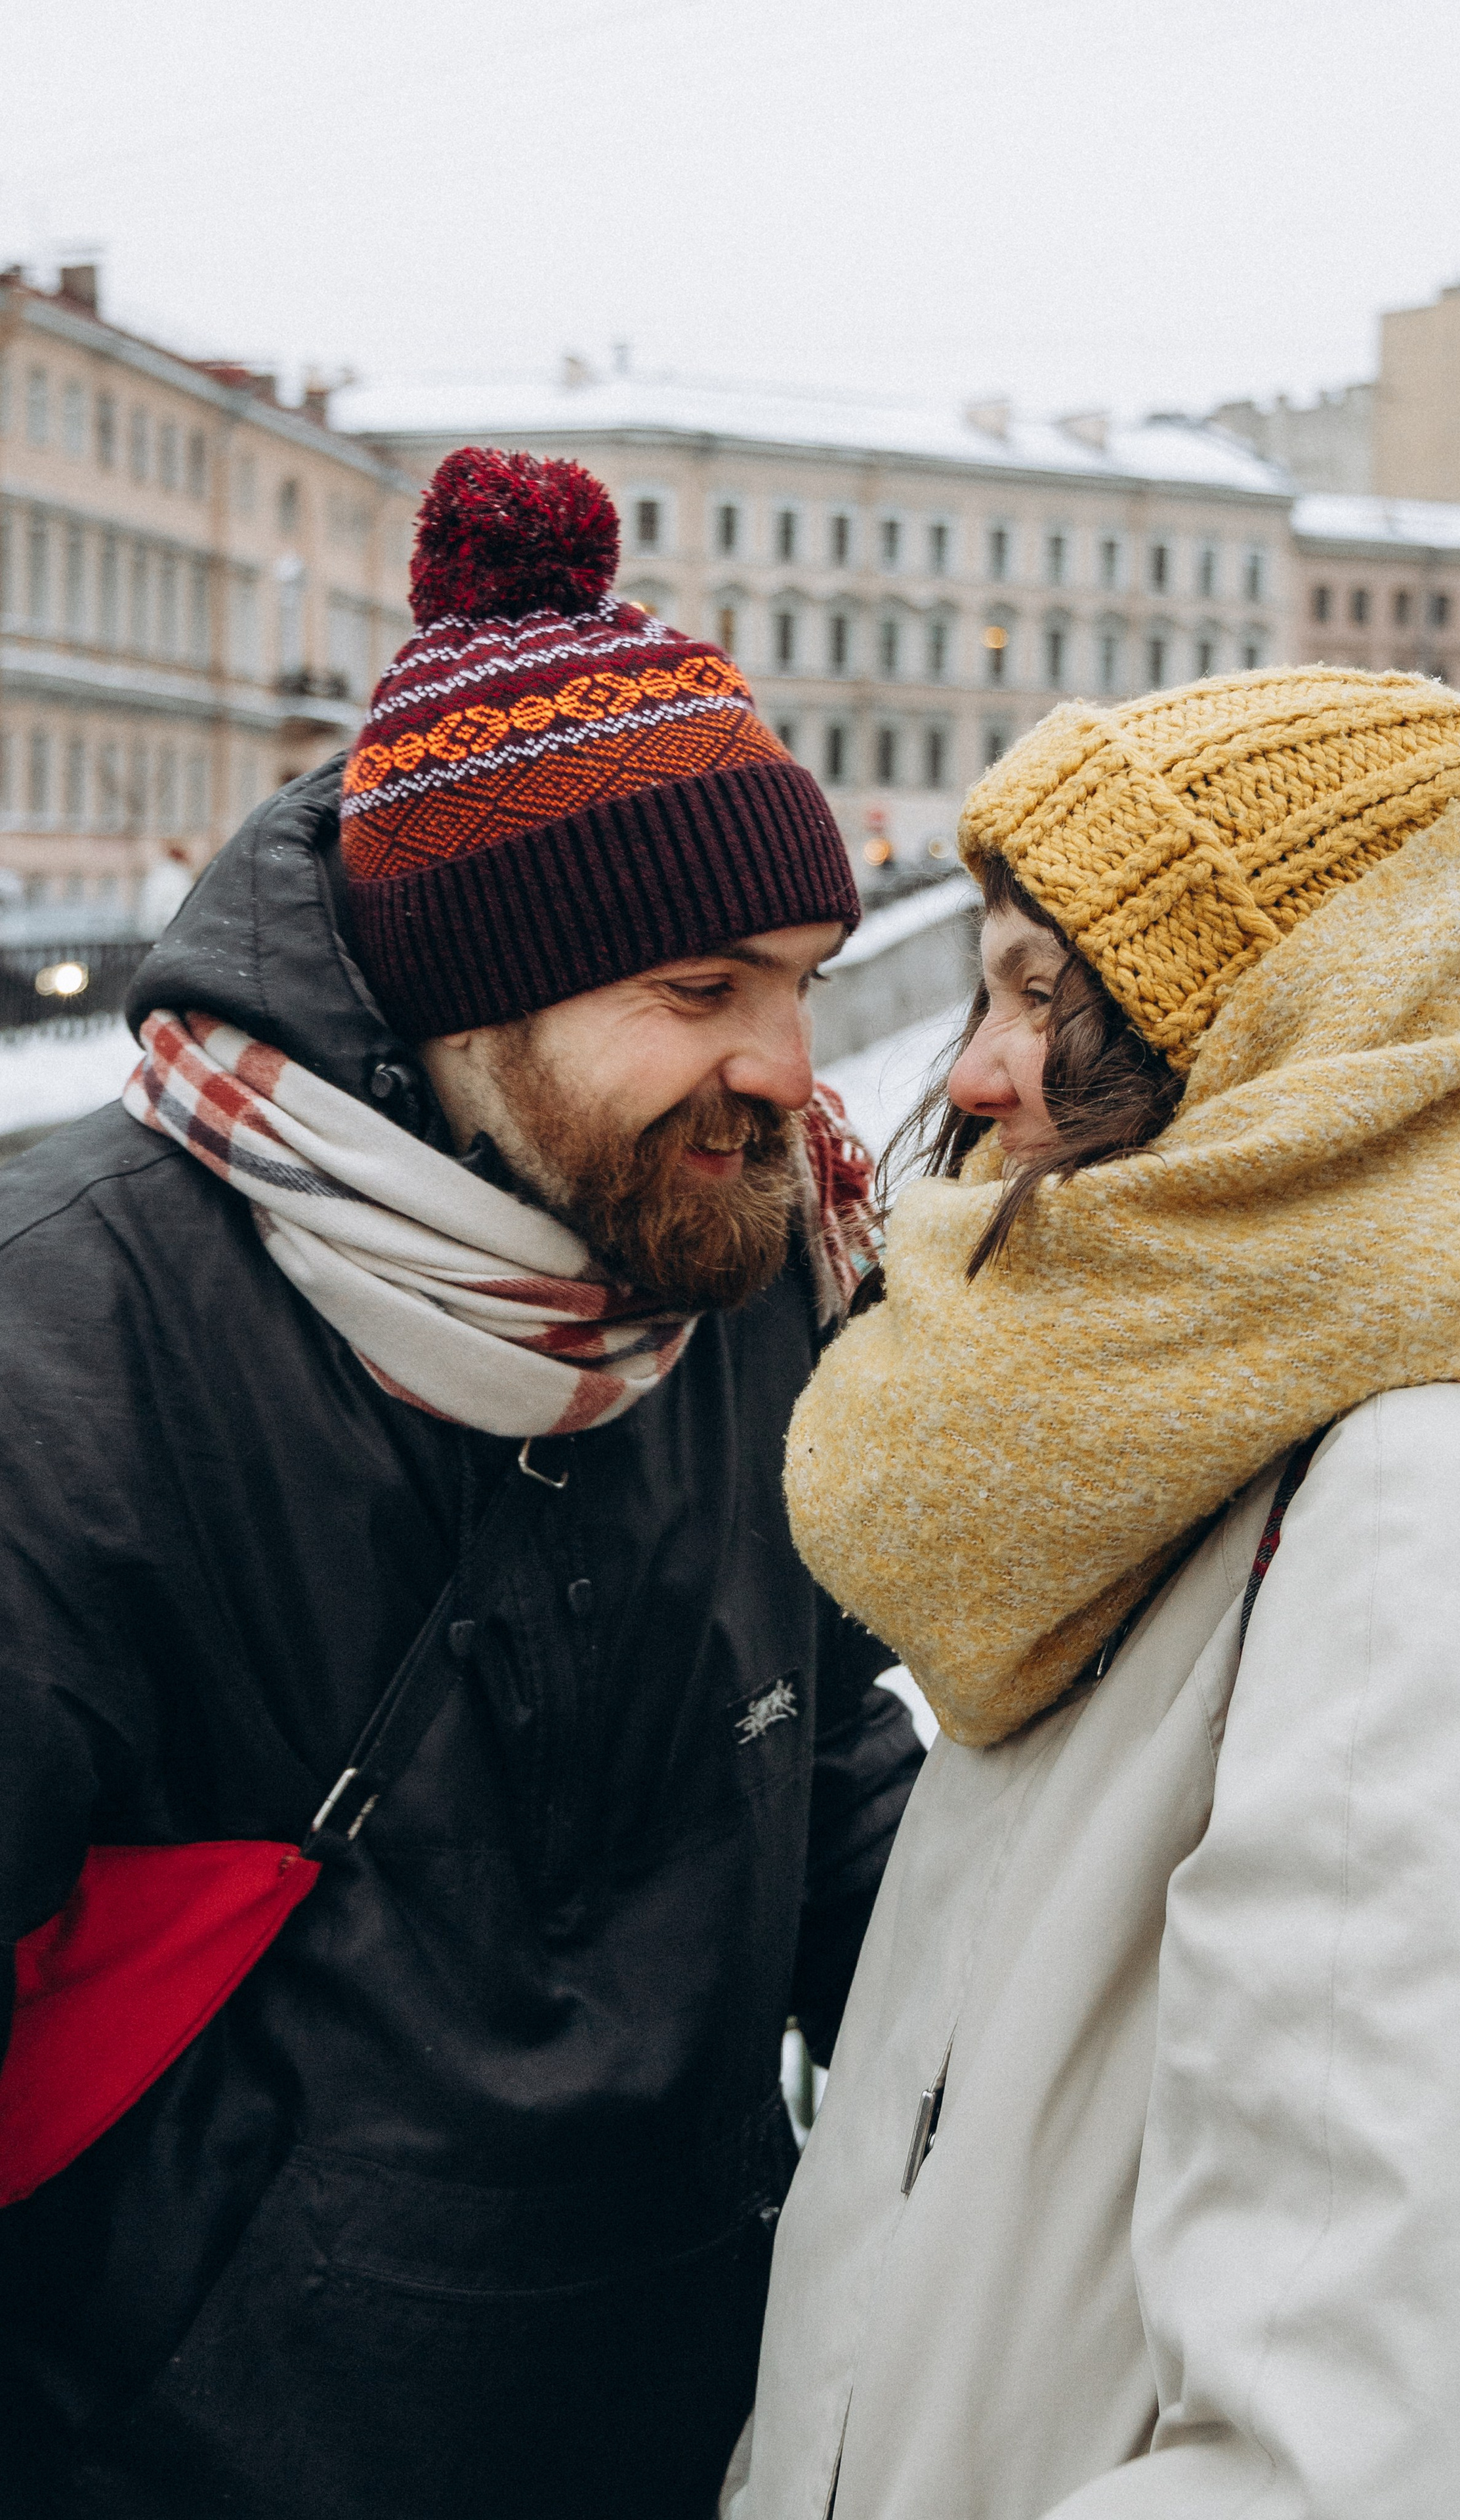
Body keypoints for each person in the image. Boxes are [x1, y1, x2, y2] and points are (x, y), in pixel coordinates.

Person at [0, 448, 921, 2520]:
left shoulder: (739, 1257)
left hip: (708, 2427)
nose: (787, 1066)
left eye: (799, 983)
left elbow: (816, 1734)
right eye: (702, 991)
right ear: (467, 1003)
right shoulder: (67, 1353)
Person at [738, 668, 1460, 2520]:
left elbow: (1336, 2461)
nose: (978, 1071)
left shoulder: (1420, 1525)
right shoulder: (1186, 1454)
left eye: (1041, 992)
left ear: (1295, 1031)